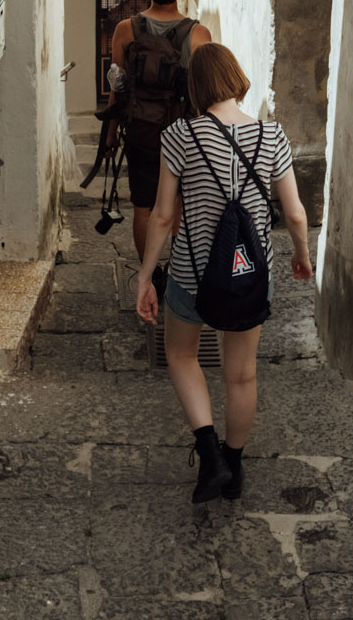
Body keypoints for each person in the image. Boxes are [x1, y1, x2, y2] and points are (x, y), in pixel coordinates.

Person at [135, 43, 313, 503]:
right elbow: (294, 213)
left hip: (193, 272)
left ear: (195, 87)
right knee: (241, 375)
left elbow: (160, 215)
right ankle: (232, 467)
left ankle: (208, 452)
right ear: (235, 78)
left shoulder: (179, 135)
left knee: (181, 355)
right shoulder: (272, 136)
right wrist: (302, 254)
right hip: (248, 275)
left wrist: (145, 276)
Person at [106, 0, 212, 269]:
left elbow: (117, 86)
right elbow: (206, 91)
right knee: (177, 202)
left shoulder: (126, 30)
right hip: (184, 134)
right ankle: (178, 273)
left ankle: (149, 276)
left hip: (141, 129)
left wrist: (110, 133)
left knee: (143, 206)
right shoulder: (198, 34)